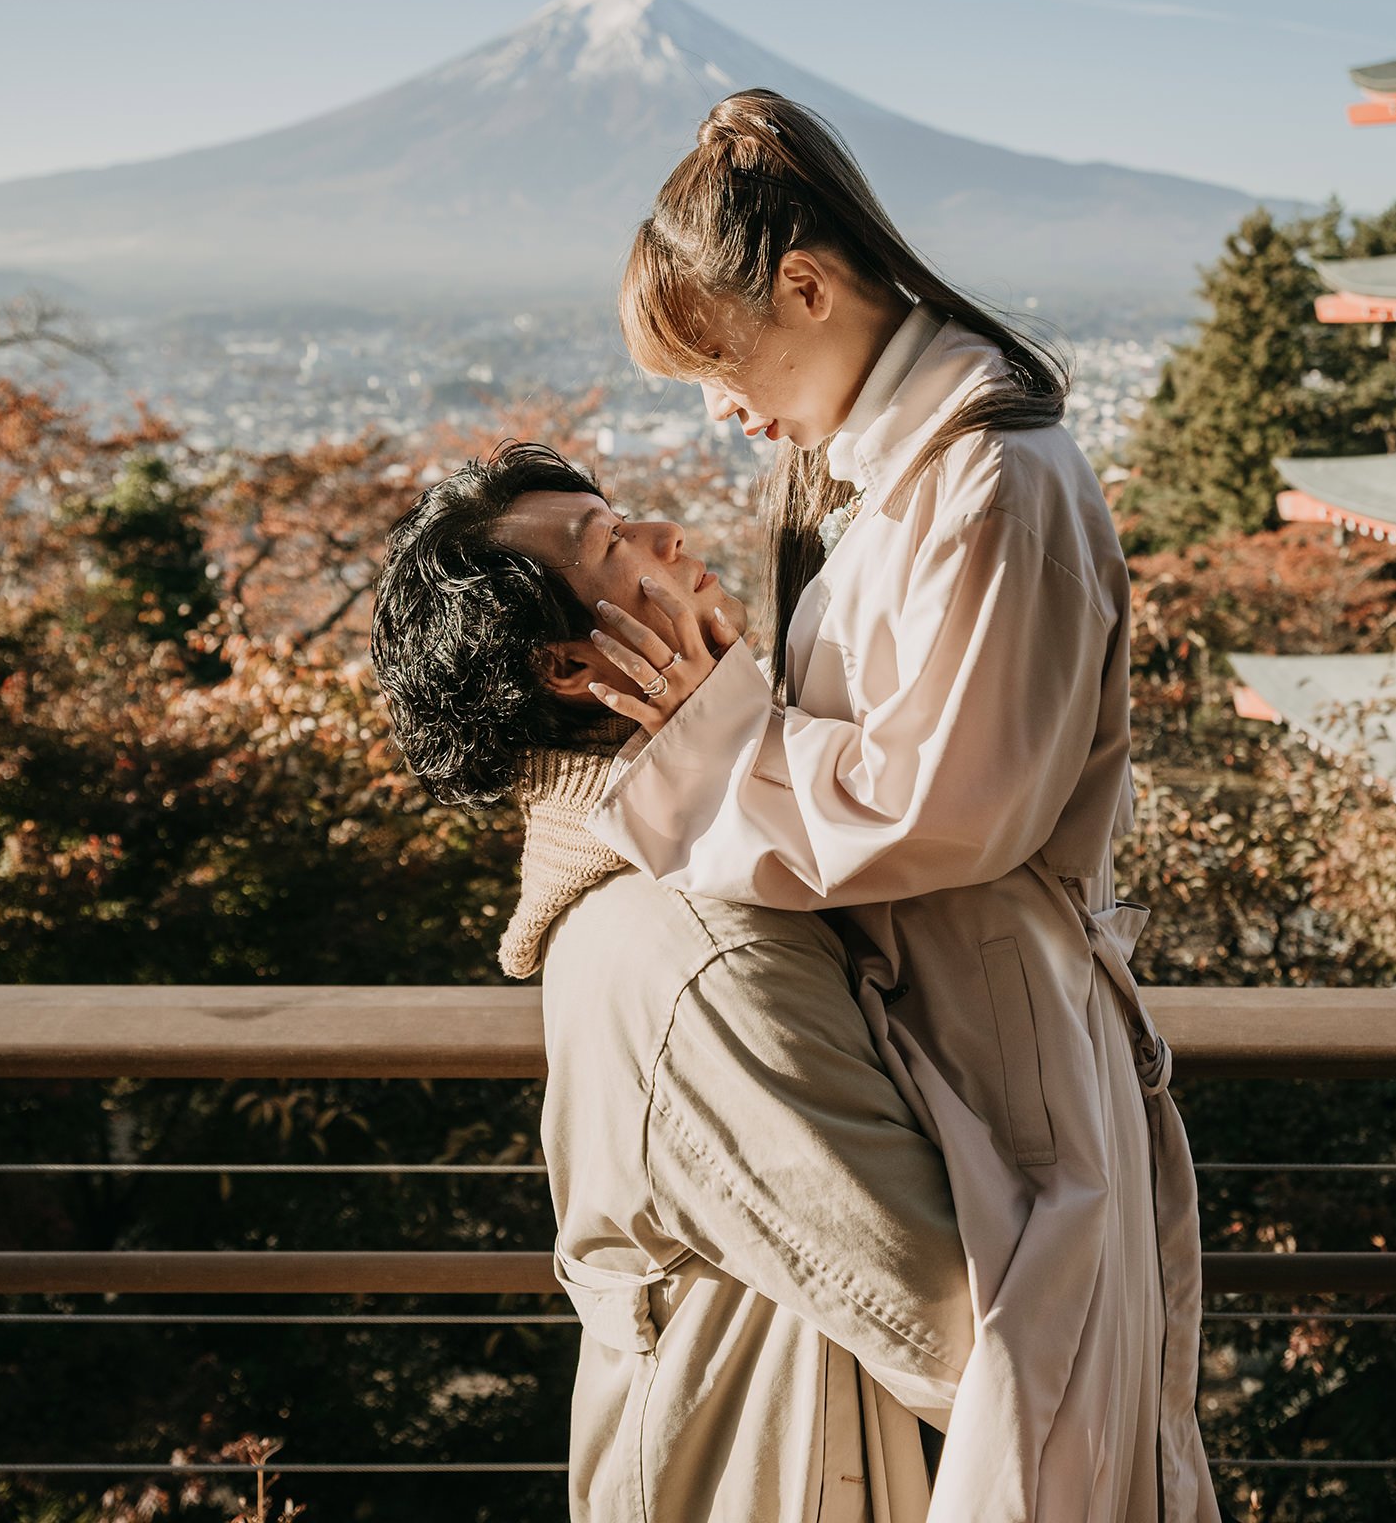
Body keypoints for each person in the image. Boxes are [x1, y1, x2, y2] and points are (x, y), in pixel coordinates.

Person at [579, 88, 1219, 1523]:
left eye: (717, 362)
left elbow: (950, 807)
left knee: (1046, 1457)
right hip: (942, 1023)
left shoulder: (995, 481)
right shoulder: (901, 478)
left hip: (1001, 1024)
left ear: (805, 286)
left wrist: (701, 735)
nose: (722, 411)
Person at [370, 443, 976, 1523]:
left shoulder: (677, 881)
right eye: (611, 545)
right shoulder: (695, 941)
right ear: (568, 668)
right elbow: (950, 1312)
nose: (668, 536)